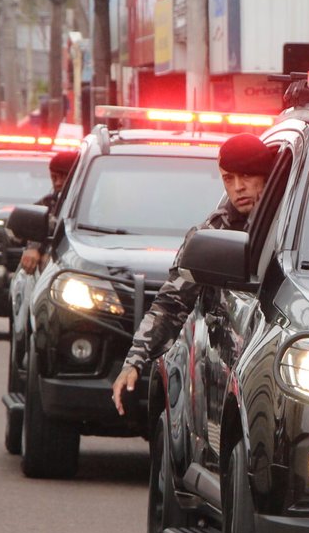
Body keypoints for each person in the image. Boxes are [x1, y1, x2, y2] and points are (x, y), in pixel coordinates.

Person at [111, 133, 279, 414]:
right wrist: (134, 361)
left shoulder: (290, 217)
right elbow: (171, 302)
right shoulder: (216, 230)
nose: (237, 188)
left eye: (248, 176)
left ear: (267, 174)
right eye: (228, 179)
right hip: (231, 366)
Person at [19, 148, 81, 274]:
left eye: (64, 177)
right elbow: (33, 227)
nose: (58, 183)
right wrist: (33, 248)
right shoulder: (48, 205)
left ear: (77, 176)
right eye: (54, 177)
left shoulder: (93, 206)